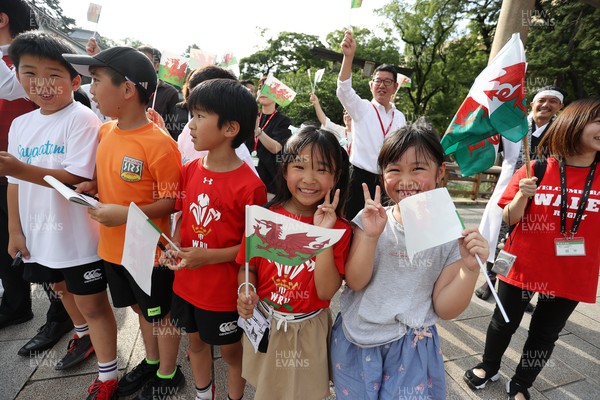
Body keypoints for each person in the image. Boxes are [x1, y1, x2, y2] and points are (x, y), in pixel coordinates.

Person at [330, 119, 489, 399]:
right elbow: (355, 282)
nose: (405, 181)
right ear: (381, 175)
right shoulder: (369, 221)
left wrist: (469, 269)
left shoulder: (451, 234)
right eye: (394, 170)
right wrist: (370, 237)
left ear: (440, 171)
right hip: (357, 338)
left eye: (418, 168)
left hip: (411, 347)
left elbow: (446, 308)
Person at [1, 29, 119, 391]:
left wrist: (18, 168)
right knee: (59, 288)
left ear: (74, 79)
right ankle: (81, 335)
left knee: (94, 304)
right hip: (38, 233)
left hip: (77, 235)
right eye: (30, 74)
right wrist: (16, 230)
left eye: (53, 75)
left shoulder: (81, 117)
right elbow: (14, 185)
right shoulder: (21, 124)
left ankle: (107, 376)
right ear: (17, 77)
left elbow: (76, 177)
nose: (41, 84)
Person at [63, 46, 183, 400]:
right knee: (138, 307)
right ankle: (151, 360)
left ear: (128, 90)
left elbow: (173, 199)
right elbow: (110, 177)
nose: (92, 88)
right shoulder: (106, 132)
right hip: (113, 247)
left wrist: (128, 213)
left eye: (97, 81)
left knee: (158, 313)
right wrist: (94, 186)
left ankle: (168, 373)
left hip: (148, 251)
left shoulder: (160, 145)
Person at [464, 97, 600, 400]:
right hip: (522, 264)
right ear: (574, 123)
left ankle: (522, 382)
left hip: (572, 272)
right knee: (503, 322)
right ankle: (489, 366)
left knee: (545, 333)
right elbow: (510, 217)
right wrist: (523, 196)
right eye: (597, 121)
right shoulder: (536, 168)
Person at [164, 78, 267, 400]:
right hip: (186, 283)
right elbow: (181, 218)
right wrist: (173, 246)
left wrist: (208, 257)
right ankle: (202, 393)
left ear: (230, 128)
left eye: (199, 116)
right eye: (191, 115)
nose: (190, 125)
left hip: (223, 293)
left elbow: (254, 248)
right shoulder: (190, 169)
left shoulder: (251, 187)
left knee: (231, 352)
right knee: (195, 343)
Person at [237, 126, 352, 399]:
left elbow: (325, 292)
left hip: (309, 328)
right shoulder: (265, 217)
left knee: (305, 392)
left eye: (322, 169)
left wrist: (323, 234)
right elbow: (247, 266)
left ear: (336, 177)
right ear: (285, 170)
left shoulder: (342, 230)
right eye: (299, 166)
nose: (309, 179)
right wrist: (244, 290)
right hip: (265, 321)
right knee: (267, 388)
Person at [476, 86, 565, 301]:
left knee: (534, 242)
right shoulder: (512, 126)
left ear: (560, 107)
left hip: (544, 195)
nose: (546, 105)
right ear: (532, 104)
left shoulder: (563, 131)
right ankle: (491, 280)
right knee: (501, 236)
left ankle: (525, 290)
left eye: (553, 101)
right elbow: (487, 145)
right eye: (542, 100)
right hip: (510, 189)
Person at [337, 30, 406, 220]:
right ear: (371, 85)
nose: (382, 85)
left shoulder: (400, 117)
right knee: (353, 224)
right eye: (378, 81)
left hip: (388, 181)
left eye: (387, 81)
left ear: (395, 87)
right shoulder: (362, 108)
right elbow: (343, 91)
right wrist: (348, 57)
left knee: (385, 227)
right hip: (359, 179)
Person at [244, 76, 292, 196]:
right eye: (260, 88)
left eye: (268, 89)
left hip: (269, 185)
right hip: (246, 180)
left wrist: (257, 131)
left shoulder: (283, 121)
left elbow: (276, 148)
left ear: (278, 96)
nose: (263, 91)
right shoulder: (251, 116)